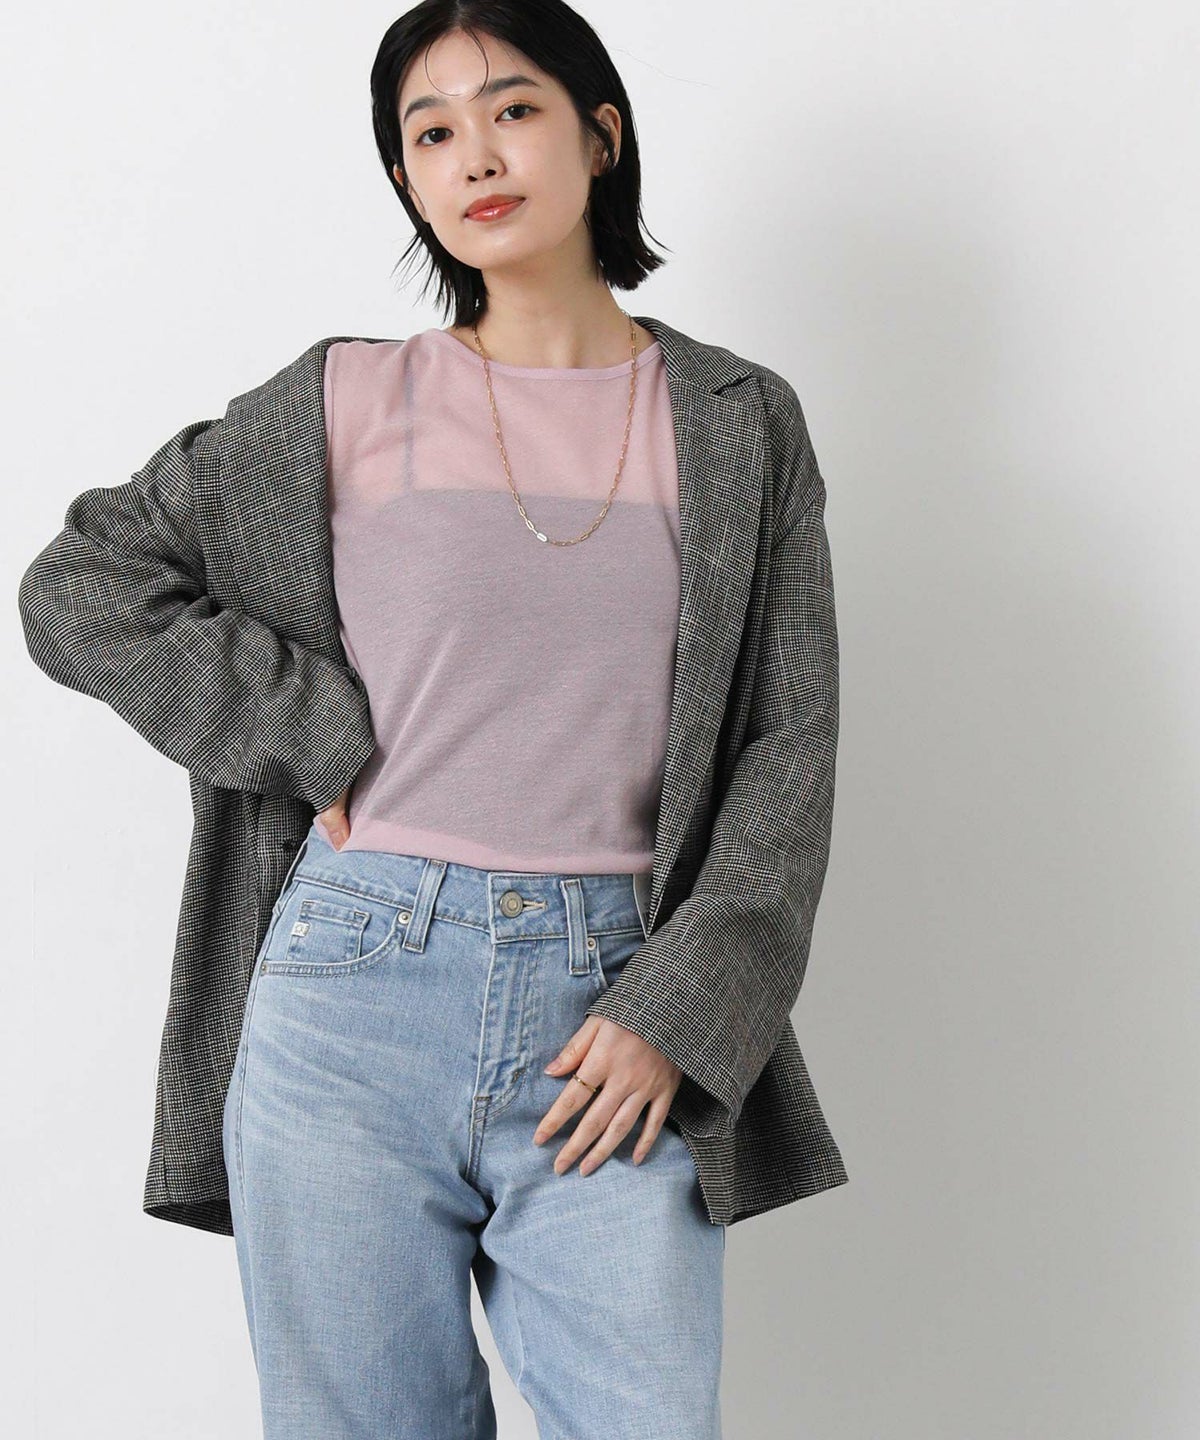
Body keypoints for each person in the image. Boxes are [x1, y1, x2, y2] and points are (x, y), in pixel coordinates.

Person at [17, 1, 847, 1435]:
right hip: (352, 987)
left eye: (513, 109)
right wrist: (310, 732)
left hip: (614, 1007)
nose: (477, 155)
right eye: (431, 131)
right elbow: (80, 586)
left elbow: (791, 744)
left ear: (600, 134)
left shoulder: (735, 419)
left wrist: (680, 1008)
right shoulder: (344, 402)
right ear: (404, 176)